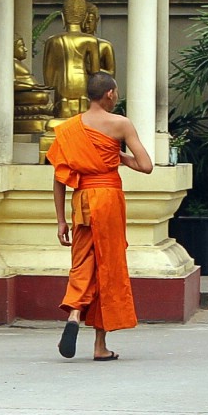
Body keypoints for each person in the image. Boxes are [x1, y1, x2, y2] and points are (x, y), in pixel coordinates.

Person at [49, 71, 153, 361]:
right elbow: (146, 166)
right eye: (116, 92)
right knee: (108, 266)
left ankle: (74, 313)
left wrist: (60, 220)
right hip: (107, 199)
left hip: (81, 200)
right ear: (109, 94)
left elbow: (59, 179)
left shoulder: (69, 128)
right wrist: (119, 157)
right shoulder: (120, 125)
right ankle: (99, 345)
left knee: (83, 261)